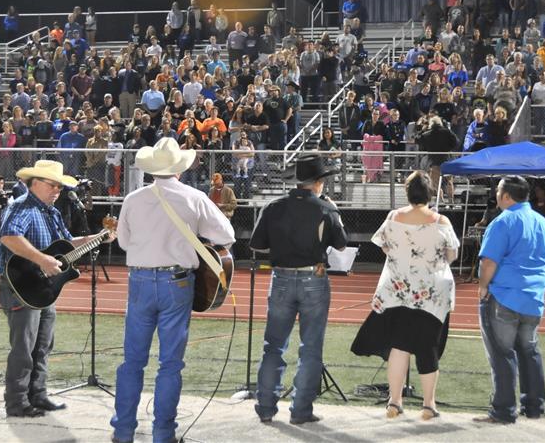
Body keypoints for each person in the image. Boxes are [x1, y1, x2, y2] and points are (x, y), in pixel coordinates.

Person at [111, 138, 236, 443]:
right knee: (170, 363)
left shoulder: (134, 198)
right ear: (179, 168)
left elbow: (124, 243)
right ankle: (163, 434)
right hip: (177, 282)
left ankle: (123, 431)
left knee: (132, 361)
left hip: (140, 280)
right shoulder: (193, 197)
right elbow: (226, 235)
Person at [0, 160, 114, 417]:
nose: (58, 190)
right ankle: (16, 402)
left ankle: (37, 395)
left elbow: (67, 245)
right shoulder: (21, 206)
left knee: (43, 345)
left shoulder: (52, 212)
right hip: (21, 286)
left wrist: (98, 237)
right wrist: (41, 259)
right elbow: (9, 236)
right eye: (53, 185)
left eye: (60, 186)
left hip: (43, 289)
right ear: (35, 182)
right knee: (24, 347)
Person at [351, 171, 459, 420]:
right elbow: (452, 255)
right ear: (430, 193)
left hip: (397, 290)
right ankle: (428, 404)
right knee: (427, 346)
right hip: (431, 294)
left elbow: (382, 243)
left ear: (407, 193)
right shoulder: (441, 221)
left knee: (398, 346)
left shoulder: (394, 216)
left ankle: (395, 402)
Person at [251, 155, 348, 425]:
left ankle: (266, 407)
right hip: (313, 278)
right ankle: (300, 410)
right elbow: (341, 244)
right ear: (317, 183)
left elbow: (257, 245)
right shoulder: (325, 208)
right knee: (311, 348)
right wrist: (334, 211)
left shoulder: (273, 206)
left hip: (280, 277)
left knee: (273, 346)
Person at [475, 176, 545, 424]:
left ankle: (504, 410)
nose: (496, 195)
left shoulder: (502, 222)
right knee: (530, 350)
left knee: (502, 353)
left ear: (506, 195)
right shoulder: (541, 222)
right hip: (533, 296)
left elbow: (489, 261)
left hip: (505, 294)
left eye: (498, 191)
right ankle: (534, 405)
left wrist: (483, 286)